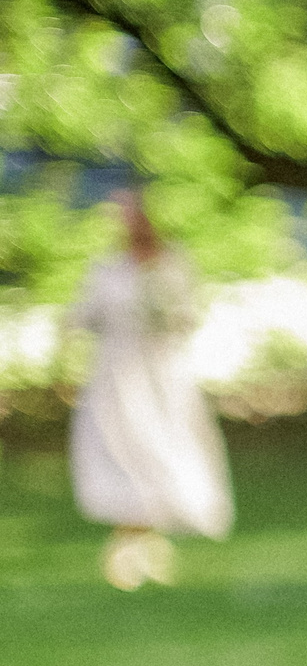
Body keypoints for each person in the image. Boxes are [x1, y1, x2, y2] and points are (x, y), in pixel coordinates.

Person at [68, 190, 234, 589]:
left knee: (164, 444)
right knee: (120, 447)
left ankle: (154, 533)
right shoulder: (106, 270)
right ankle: (129, 537)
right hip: (119, 374)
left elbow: (188, 314)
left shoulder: (171, 264)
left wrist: (162, 314)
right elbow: (83, 315)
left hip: (161, 374)